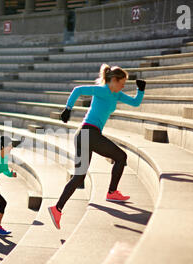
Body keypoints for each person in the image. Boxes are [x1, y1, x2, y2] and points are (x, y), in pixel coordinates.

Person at [48, 64, 146, 229]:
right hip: (89, 133)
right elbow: (78, 90)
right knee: (121, 157)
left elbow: (135, 103)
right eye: (122, 83)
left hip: (84, 135)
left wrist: (141, 90)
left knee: (79, 176)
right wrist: (68, 109)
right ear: (113, 80)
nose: (123, 86)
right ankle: (112, 192)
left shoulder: (117, 94)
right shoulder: (102, 90)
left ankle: (57, 209)